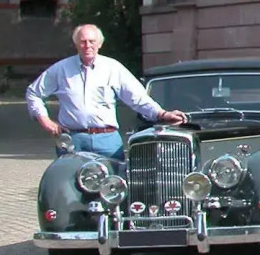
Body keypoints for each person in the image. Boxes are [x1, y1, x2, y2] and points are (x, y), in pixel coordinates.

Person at [25, 24, 186, 160]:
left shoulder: (113, 68)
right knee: (69, 188)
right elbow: (33, 92)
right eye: (83, 41)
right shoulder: (61, 69)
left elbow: (137, 98)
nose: (87, 45)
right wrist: (46, 121)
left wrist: (162, 114)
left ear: (100, 44)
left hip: (107, 140)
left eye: (92, 41)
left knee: (113, 188)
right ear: (76, 44)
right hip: (73, 140)